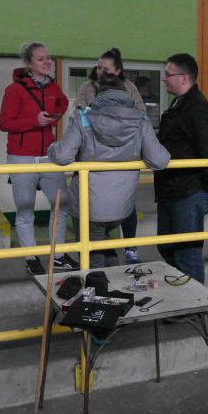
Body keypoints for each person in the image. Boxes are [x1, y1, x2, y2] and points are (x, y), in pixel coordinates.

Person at [49, 74, 170, 268]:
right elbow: (160, 160)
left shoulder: (83, 117)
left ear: (99, 95)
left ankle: (96, 282)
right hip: (122, 207)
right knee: (106, 244)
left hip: (88, 207)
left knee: (91, 253)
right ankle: (109, 279)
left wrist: (51, 148)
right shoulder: (141, 120)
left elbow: (62, 156)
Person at [0, 42, 77, 275]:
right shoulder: (14, 90)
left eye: (48, 58)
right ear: (28, 63)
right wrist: (36, 121)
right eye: (41, 59)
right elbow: (5, 123)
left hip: (49, 156)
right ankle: (31, 257)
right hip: (22, 158)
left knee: (61, 205)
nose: (47, 62)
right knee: (25, 210)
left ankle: (58, 255)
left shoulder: (52, 87)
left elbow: (63, 102)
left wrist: (54, 117)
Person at [154, 53, 208, 284]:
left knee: (187, 254)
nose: (164, 79)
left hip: (188, 191)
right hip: (171, 189)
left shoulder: (196, 108)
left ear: (184, 78)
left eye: (168, 74)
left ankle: (195, 302)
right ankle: (182, 295)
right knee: (166, 246)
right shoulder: (180, 104)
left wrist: (206, 190)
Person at [75, 48, 146, 264]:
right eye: (98, 67)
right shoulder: (87, 88)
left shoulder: (128, 87)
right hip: (96, 157)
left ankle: (129, 247)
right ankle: (100, 262)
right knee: (93, 211)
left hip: (123, 157)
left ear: (118, 71)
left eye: (106, 69)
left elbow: (141, 114)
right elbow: (78, 116)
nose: (101, 72)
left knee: (126, 203)